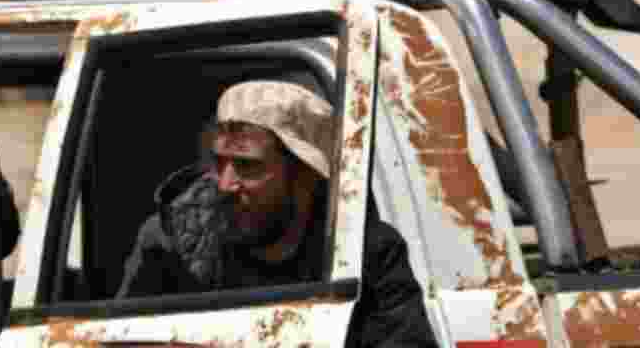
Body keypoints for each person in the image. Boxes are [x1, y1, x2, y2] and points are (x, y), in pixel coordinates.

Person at [117, 80, 436, 348]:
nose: (226, 184)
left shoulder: (363, 253)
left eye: (248, 166)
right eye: (219, 163)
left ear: (304, 176)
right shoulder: (170, 240)